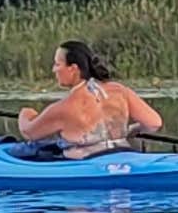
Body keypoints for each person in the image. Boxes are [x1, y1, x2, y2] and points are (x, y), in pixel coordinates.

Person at [11, 41, 162, 158]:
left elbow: (30, 133)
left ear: (73, 68)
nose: (54, 70)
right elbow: (154, 123)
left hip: (85, 164)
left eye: (57, 64)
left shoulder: (65, 107)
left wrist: (25, 114)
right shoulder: (119, 90)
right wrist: (131, 131)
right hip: (123, 153)